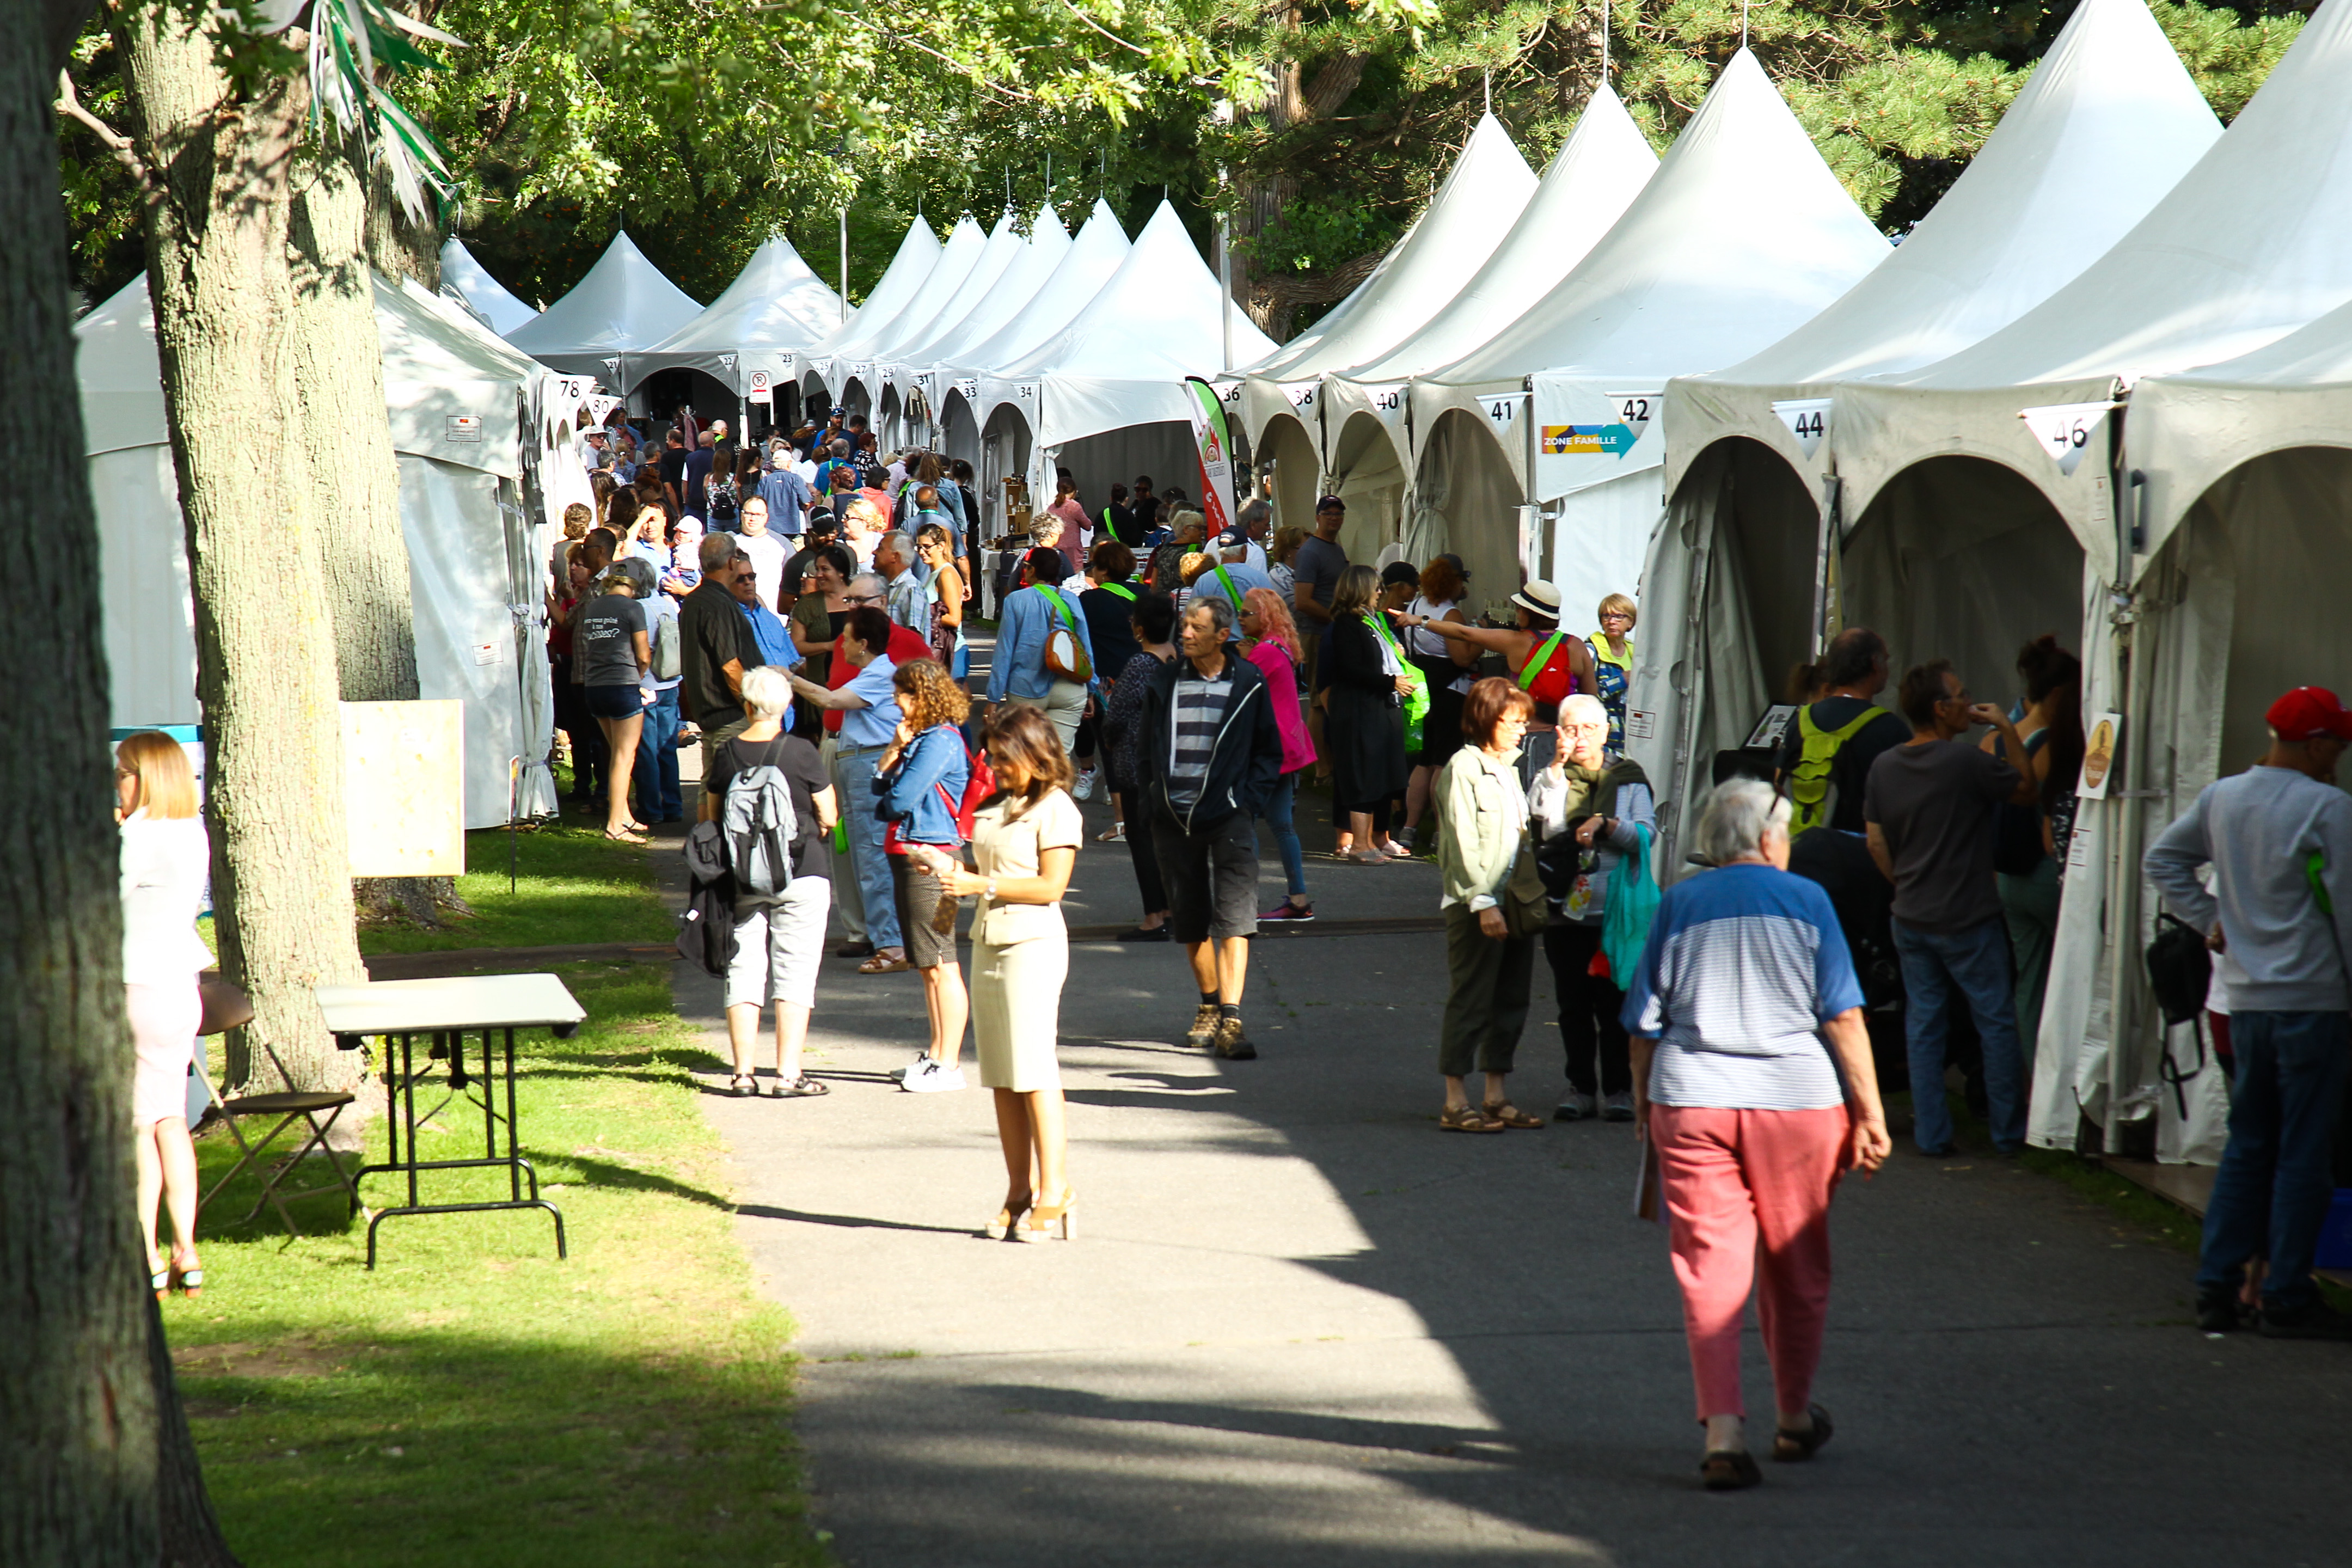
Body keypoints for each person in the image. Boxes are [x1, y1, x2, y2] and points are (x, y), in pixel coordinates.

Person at [1620, 778, 1890, 1490]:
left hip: (1694, 1099)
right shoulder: (1808, 901)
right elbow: (1843, 1016)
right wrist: (1870, 1113)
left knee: (1711, 1268)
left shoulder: (1678, 903)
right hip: (1797, 1104)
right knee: (1796, 1266)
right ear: (1771, 840)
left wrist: (1647, 1108)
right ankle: (1794, 1418)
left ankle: (1723, 1432)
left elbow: (1644, 1026)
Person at [2146, 685, 2352, 1339]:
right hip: (2313, 1002)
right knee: (2303, 1155)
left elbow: (2164, 860)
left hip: (2244, 1002)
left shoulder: (2223, 796)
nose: (2340, 757)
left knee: (2247, 1146)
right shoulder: (2330, 809)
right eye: (2337, 746)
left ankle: (2216, 1286)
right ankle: (2287, 1293)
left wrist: (2214, 920)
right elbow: (2347, 912)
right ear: (2316, 744)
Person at [1863, 658, 2037, 1156]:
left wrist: (1905, 884)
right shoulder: (1966, 762)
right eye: (1960, 696)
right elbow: (2027, 790)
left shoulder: (1885, 766)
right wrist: (2007, 728)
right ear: (1941, 710)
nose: (1968, 703)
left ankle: (1933, 1134)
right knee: (1995, 1021)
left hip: (1911, 915)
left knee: (1924, 1023)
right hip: (1969, 916)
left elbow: (1876, 843)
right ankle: (2007, 1132)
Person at [930, 707, 1083, 1239]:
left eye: (1004, 758)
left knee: (1035, 1072)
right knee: (1001, 1077)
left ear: (1036, 753)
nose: (995, 768)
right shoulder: (996, 804)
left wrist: (981, 886)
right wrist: (953, 873)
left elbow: (1050, 887)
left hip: (1033, 947)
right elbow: (984, 873)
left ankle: (1055, 1190)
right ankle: (1018, 1190)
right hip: (988, 943)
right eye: (991, 758)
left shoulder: (1056, 807)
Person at [1137, 595, 1285, 1059]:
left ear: (1224, 635)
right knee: (1190, 917)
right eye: (1185, 625)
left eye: (1197, 628)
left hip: (1228, 816)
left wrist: (1246, 803)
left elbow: (1268, 752)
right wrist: (1152, 796)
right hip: (1173, 815)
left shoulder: (1248, 682)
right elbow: (1146, 748)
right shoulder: (1165, 679)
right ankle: (1208, 1005)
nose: (1185, 634)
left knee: (1236, 917)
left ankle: (1232, 1017)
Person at [702, 666, 835, 1098]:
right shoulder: (802, 752)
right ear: (787, 706)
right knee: (794, 970)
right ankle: (789, 1075)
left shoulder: (727, 752)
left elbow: (710, 815)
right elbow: (829, 816)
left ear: (746, 705)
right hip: (802, 870)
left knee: (744, 968)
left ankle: (742, 1074)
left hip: (741, 876)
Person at [116, 732, 212, 1300]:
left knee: (135, 1123)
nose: (117, 783)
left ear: (144, 777)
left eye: (123, 773)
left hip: (134, 984)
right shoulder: (189, 832)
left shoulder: (137, 837)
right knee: (170, 1120)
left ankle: (146, 1252)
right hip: (180, 985)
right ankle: (188, 1249)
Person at [1531, 694, 1654, 1122]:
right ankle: (1580, 1087)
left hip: (1615, 913)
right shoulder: (1551, 777)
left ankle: (1619, 1089)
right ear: (1558, 732)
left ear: (1605, 731)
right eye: (1570, 728)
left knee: (1615, 1006)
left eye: (1588, 728)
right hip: (1565, 912)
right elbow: (1543, 826)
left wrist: (1607, 825)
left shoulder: (1629, 777)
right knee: (1573, 1006)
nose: (1579, 737)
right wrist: (1554, 774)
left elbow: (1646, 837)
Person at [1432, 678, 1545, 1133]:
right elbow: (1460, 842)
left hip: (1514, 901)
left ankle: (1496, 1095)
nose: (1522, 729)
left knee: (1511, 999)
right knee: (1472, 999)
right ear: (1487, 719)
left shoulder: (1510, 767)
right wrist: (1482, 901)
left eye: (1523, 720)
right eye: (1513, 721)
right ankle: (1454, 1101)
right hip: (1476, 903)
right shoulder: (1463, 768)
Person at [787, 606, 910, 974]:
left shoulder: (879, 673)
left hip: (868, 765)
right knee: (864, 856)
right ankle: (885, 936)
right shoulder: (874, 672)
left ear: (864, 643)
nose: (840, 646)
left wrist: (790, 680)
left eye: (847, 639)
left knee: (872, 858)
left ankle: (891, 945)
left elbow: (830, 701)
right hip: (860, 763)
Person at [875, 660, 975, 1093]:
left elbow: (895, 801)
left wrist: (892, 774)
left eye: (905, 695)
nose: (898, 703)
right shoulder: (924, 739)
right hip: (919, 854)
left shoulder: (939, 741)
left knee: (941, 962)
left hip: (932, 858)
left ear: (924, 697)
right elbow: (883, 789)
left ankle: (948, 1063)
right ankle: (937, 1055)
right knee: (928, 964)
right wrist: (893, 752)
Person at [1388, 579, 1594, 783]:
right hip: (1562, 738)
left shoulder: (1515, 642)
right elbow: (1591, 699)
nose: (1517, 613)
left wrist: (1421, 621)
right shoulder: (1576, 646)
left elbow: (1464, 632)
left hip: (1522, 735)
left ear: (1529, 613)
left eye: (1520, 609)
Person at [1985, 635, 2083, 1063]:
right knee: (2069, 982)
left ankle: (2030, 1088)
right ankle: (2061, 1086)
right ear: (2060, 693)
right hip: (2045, 876)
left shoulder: (1992, 740)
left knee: (2028, 982)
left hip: (2006, 878)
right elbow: (2053, 831)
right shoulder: (2055, 745)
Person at [1776, 627, 1909, 836]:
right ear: (1875, 663)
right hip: (1856, 856)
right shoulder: (1890, 729)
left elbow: (1779, 785)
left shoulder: (1800, 721)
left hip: (1799, 853)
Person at [1324, 564, 1413, 865]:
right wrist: (1391, 681)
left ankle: (1374, 840)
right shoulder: (1347, 624)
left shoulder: (1372, 621)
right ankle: (1360, 844)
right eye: (1376, 587)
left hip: (1380, 707)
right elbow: (1349, 670)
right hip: (1359, 709)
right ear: (1360, 588)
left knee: (1381, 773)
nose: (1380, 592)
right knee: (1362, 773)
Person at [1103, 590, 1179, 939]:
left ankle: (1155, 916)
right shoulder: (1178, 661)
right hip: (1171, 764)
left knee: (1142, 841)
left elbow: (1116, 718)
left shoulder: (1139, 666)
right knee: (1167, 841)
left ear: (1139, 630)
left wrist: (1106, 725)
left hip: (1136, 765)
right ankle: (1172, 907)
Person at [1238, 586, 1316, 922]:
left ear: (1264, 617)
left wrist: (1240, 660)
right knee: (1283, 825)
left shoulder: (1263, 653)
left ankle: (1245, 902)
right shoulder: (1277, 646)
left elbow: (1237, 688)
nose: (1240, 618)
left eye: (1245, 614)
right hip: (1286, 747)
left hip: (1268, 751)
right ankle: (1299, 899)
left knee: (1245, 824)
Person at [987, 546, 1095, 759]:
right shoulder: (1071, 599)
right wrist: (1091, 688)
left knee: (1025, 757)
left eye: (1026, 567)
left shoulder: (1015, 601)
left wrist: (993, 698)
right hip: (1069, 686)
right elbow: (1085, 646)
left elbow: (1005, 651)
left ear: (1033, 570)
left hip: (1025, 689)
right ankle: (1058, 792)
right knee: (1059, 757)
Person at [1401, 555, 1478, 852]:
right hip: (1449, 692)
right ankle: (1440, 831)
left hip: (1425, 689)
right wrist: (1481, 639)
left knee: (1423, 763)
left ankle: (1409, 827)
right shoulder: (1451, 615)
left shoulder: (1414, 607)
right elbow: (1461, 658)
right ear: (1454, 582)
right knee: (1441, 764)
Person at [575, 568, 654, 841]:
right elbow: (643, 654)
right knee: (625, 756)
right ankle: (614, 826)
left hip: (595, 686)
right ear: (632, 589)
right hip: (622, 684)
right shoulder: (633, 608)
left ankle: (624, 815)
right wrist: (641, 675)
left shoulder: (593, 606)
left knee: (616, 753)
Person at [681, 534, 763, 785]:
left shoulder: (694, 601)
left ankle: (707, 826)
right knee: (735, 791)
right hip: (730, 715)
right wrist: (752, 708)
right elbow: (730, 666)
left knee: (711, 787)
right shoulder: (717, 604)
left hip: (710, 713)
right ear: (731, 563)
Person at [617, 558, 684, 824]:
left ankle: (651, 809)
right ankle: (673, 805)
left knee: (646, 749)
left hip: (646, 685)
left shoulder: (636, 609)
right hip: (670, 682)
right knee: (667, 747)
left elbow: (638, 650)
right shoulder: (667, 604)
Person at [1289, 496, 1350, 678]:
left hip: (1336, 633)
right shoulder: (1309, 552)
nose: (1333, 518)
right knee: (1319, 696)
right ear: (1318, 518)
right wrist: (1335, 618)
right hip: (1316, 635)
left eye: (1338, 514)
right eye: (1328, 514)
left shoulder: (1337, 549)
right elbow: (1302, 602)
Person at [1588, 592, 1637, 758]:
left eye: (1619, 616)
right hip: (1603, 741)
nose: (1612, 621)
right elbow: (1588, 694)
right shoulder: (1592, 649)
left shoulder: (1636, 653)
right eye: (1607, 616)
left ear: (1630, 622)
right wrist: (1622, 680)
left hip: (1630, 740)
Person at [914, 522, 965, 674]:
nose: (922, 551)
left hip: (951, 650)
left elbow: (954, 619)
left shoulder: (946, 574)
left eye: (927, 547)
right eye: (919, 547)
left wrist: (921, 618)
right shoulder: (934, 573)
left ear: (941, 546)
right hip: (940, 647)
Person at [732, 493, 788, 611]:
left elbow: (793, 578)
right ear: (742, 515)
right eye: (749, 514)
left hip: (773, 613)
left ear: (766, 517)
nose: (753, 519)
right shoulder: (729, 541)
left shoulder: (781, 543)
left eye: (758, 515)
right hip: (736, 613)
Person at [873, 531, 927, 633]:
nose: (874, 552)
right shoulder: (884, 586)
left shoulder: (911, 588)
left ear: (895, 556)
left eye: (880, 549)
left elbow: (916, 637)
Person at [658, 428, 690, 517]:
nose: (667, 442)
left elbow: (666, 483)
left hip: (672, 497)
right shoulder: (691, 455)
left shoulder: (666, 457)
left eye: (668, 439)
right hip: (688, 495)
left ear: (673, 440)